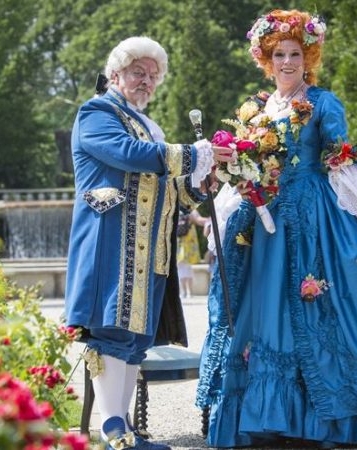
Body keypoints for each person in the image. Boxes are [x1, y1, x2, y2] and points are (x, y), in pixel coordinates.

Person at [196, 10, 357, 448]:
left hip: (315, 221)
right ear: (266, 58)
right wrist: (224, 205)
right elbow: (247, 169)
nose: (288, 62)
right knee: (261, 309)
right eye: (280, 54)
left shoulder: (323, 104)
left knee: (328, 307)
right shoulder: (256, 110)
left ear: (308, 55)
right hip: (263, 222)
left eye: (296, 53)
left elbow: (340, 161)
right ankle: (267, 417)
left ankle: (327, 417)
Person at [64, 36, 233, 450]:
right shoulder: (96, 113)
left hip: (150, 247)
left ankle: (121, 433)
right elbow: (127, 153)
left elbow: (170, 191)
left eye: (153, 77)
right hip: (111, 245)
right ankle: (113, 432)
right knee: (109, 334)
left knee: (135, 340)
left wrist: (203, 184)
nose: (146, 82)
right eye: (139, 73)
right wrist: (194, 155)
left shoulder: (147, 124)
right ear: (115, 74)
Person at [176, 209, 209, 299]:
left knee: (182, 268)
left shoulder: (175, 206)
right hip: (187, 241)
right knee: (186, 268)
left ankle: (184, 292)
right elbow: (198, 220)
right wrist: (209, 220)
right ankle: (188, 292)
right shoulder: (189, 208)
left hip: (180, 241)